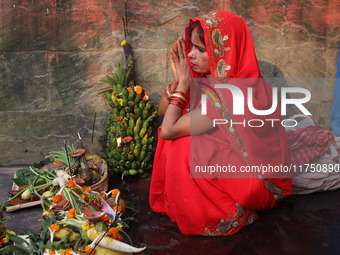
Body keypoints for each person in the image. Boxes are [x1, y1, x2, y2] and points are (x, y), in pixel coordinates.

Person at [149, 11, 292, 236]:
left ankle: (227, 211)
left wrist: (183, 85)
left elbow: (168, 130)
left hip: (259, 185)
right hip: (240, 170)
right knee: (183, 137)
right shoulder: (212, 78)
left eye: (201, 50)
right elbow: (162, 112)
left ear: (224, 52)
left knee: (182, 144)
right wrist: (178, 81)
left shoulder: (230, 93)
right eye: (191, 47)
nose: (190, 55)